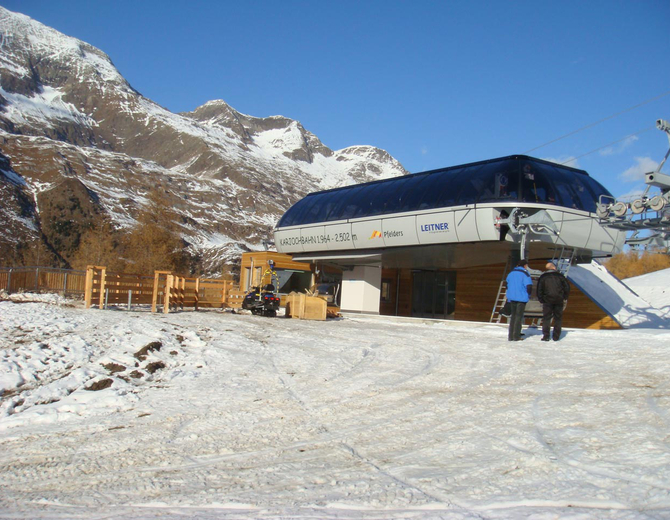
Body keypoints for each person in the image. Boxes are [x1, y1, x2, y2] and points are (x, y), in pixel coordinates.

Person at [537, 260, 571, 341]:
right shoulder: (560, 276)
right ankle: (556, 336)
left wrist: (541, 299)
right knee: (558, 318)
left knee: (546, 318)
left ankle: (546, 336)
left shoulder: (543, 277)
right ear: (554, 267)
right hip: (559, 299)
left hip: (547, 300)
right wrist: (565, 297)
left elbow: (539, 289)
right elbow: (567, 287)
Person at [505, 259, 533, 341]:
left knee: (513, 316)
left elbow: (506, 284)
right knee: (519, 316)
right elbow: (529, 286)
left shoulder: (511, 273)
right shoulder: (525, 273)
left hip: (511, 297)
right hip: (521, 298)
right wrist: (528, 295)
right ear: (525, 265)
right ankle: (516, 335)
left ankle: (511, 336)